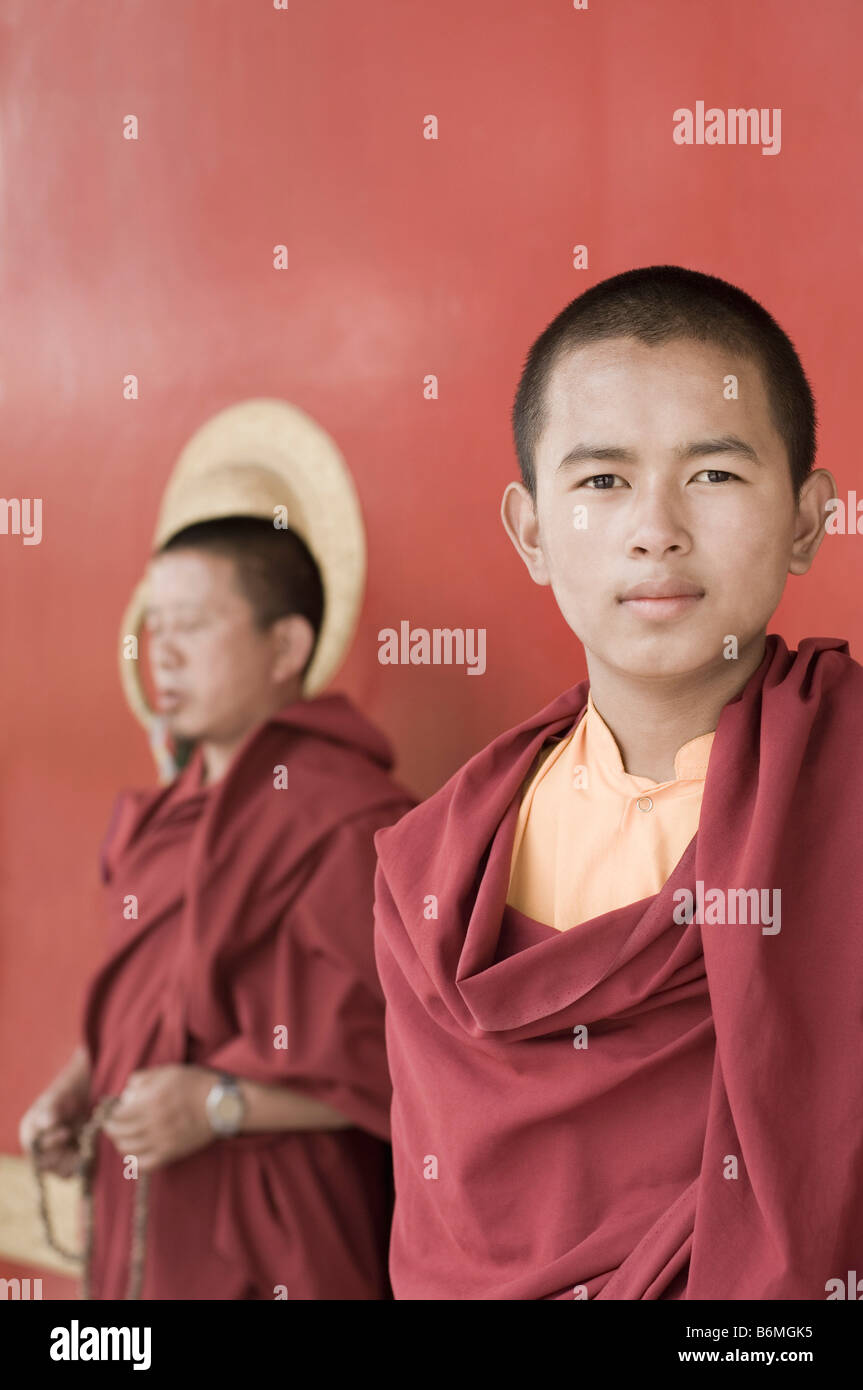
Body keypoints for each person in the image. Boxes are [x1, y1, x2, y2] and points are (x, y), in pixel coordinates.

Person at [373, 264, 863, 1300]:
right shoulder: (433, 868)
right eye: (600, 481)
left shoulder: (844, 787)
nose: (655, 528)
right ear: (531, 532)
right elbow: (442, 1244)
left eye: (714, 475)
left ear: (809, 519)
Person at [20, 403, 416, 1300]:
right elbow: (148, 1012)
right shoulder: (157, 817)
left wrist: (218, 1105)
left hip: (282, 1232)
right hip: (144, 1216)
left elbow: (401, 1069)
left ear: (287, 644)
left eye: (194, 625)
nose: (165, 655)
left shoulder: (350, 817)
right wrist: (77, 1089)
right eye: (155, 626)